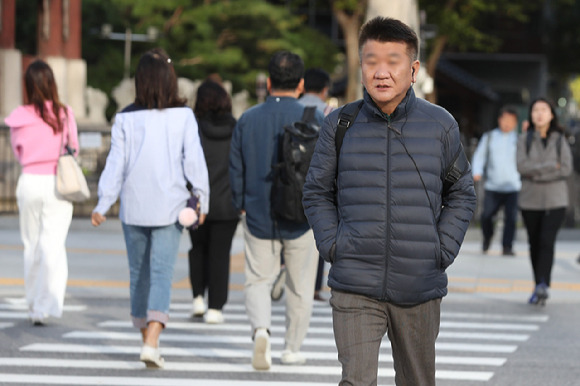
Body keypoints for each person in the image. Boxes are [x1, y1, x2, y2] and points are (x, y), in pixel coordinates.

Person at [302, 17, 476, 385]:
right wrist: (334, 245)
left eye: (392, 61)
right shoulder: (341, 125)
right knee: (356, 380)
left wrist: (440, 249)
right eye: (371, 61)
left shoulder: (440, 125)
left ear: (413, 69)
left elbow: (461, 192)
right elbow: (316, 191)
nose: (381, 72)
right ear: (360, 66)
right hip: (354, 282)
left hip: (419, 284)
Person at [91, 48, 209, 368]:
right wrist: (202, 197)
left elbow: (116, 164)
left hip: (134, 206)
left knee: (138, 274)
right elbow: (193, 160)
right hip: (170, 207)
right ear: (171, 79)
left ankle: (147, 339)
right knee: (160, 273)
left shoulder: (125, 117)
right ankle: (152, 340)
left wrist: (104, 202)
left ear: (139, 81)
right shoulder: (184, 116)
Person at [229, 51, 324, 370]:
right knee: (300, 284)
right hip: (303, 216)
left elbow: (236, 167)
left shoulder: (247, 118)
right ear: (300, 85)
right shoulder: (315, 117)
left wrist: (241, 204)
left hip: (258, 213)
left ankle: (260, 331)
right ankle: (292, 348)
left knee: (257, 279)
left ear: (268, 83)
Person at [5, 59, 79, 326]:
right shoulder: (64, 113)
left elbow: (17, 150)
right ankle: (48, 303)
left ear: (27, 86)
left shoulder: (19, 116)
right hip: (56, 183)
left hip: (29, 181)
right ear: (51, 84)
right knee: (53, 245)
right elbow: (74, 148)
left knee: (31, 244)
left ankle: (34, 304)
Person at [188, 79, 239, 324]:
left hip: (197, 202)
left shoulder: (193, 128)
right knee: (221, 254)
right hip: (228, 202)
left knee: (197, 249)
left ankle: (198, 297)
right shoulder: (236, 128)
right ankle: (215, 308)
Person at [516, 97, 572, 305]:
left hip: (555, 200)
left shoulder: (560, 139)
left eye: (544, 109)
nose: (539, 113)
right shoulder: (524, 139)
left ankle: (542, 284)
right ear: (531, 115)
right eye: (536, 110)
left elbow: (565, 169)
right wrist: (550, 168)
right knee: (534, 243)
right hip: (530, 200)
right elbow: (522, 167)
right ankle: (538, 283)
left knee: (547, 242)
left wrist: (536, 173)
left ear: (551, 114)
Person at [298, 68, 334, 301]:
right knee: (320, 233)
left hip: (290, 179)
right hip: (319, 181)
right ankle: (314, 287)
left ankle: (285, 268)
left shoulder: (292, 108)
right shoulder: (328, 112)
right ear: (324, 90)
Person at [471, 107, 521, 256]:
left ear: (515, 123)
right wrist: (477, 171)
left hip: (513, 185)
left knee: (511, 218)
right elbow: (480, 155)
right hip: (493, 185)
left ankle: (507, 246)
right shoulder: (490, 137)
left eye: (511, 121)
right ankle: (487, 237)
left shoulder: (519, 139)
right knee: (486, 216)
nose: (507, 124)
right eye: (505, 120)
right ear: (499, 120)